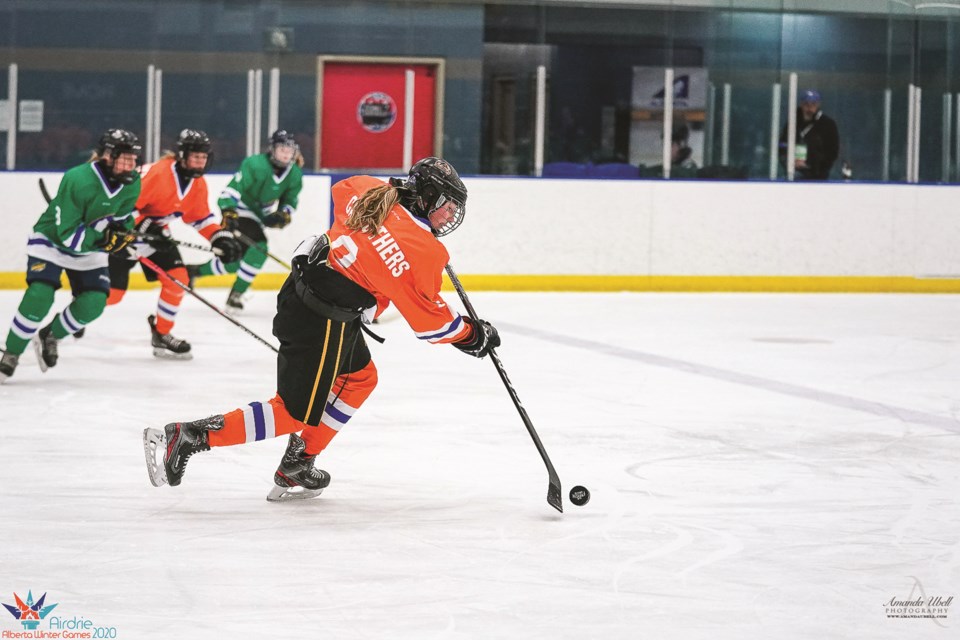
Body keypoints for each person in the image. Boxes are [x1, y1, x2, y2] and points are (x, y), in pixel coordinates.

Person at [143, 157, 500, 501]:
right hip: (323, 320)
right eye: (446, 204)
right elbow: (432, 325)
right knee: (292, 411)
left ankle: (299, 461)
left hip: (304, 292)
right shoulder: (423, 250)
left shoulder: (370, 190)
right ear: (424, 199)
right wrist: (473, 335)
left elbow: (344, 191)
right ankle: (189, 436)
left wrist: (395, 193)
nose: (452, 214)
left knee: (360, 378)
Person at [0, 129, 142, 383]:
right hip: (51, 243)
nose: (131, 164)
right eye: (125, 158)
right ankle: (11, 352)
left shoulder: (132, 183)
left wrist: (126, 233)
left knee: (94, 304)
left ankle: (50, 335)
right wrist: (105, 241)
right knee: (39, 296)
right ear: (107, 156)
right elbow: (68, 236)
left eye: (133, 158)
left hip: (90, 249)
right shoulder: (78, 179)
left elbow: (121, 219)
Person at [105, 129, 242, 359]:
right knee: (112, 296)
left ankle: (162, 334)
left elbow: (201, 219)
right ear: (182, 155)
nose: (200, 161)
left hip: (155, 238)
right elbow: (122, 208)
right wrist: (145, 224)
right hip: (124, 236)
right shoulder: (157, 174)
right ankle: (78, 311)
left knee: (178, 279)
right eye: (195, 156)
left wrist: (220, 237)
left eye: (204, 156)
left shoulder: (197, 184)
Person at [188, 129, 303, 313]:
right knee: (259, 248)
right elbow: (234, 188)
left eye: (289, 151)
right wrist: (228, 210)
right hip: (240, 212)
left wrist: (283, 214)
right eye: (282, 149)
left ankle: (194, 271)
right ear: (272, 149)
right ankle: (236, 294)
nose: (286, 154)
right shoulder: (255, 164)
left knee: (234, 262)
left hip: (258, 218)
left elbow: (290, 200)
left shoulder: (294, 173)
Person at [779, 89, 839, 180]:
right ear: (801, 105)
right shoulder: (792, 122)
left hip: (820, 174)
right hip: (794, 172)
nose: (809, 108)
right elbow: (783, 145)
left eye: (813, 104)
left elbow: (832, 151)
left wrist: (813, 165)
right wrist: (790, 162)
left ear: (818, 105)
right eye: (806, 104)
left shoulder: (828, 124)